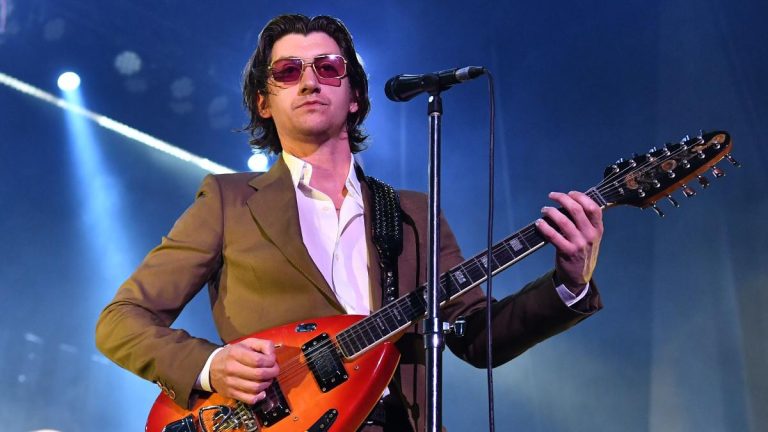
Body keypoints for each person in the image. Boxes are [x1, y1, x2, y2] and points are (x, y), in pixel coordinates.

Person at [95, 14, 604, 432]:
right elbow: (121, 319)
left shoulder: (413, 213)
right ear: (263, 103)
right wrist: (211, 367)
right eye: (287, 71)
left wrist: (569, 282)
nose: (310, 81)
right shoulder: (228, 201)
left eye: (328, 67)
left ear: (355, 95)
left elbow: (477, 336)